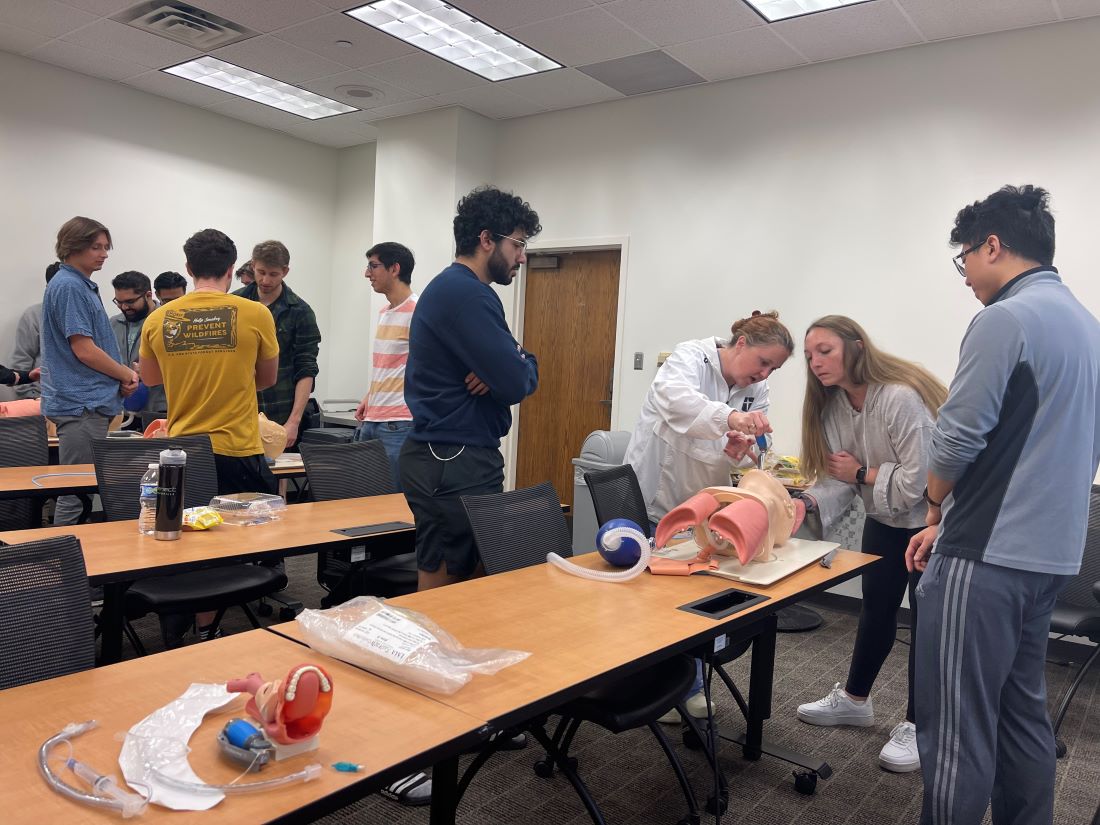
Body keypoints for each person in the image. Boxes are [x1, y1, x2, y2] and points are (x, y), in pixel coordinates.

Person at [906, 185, 1100, 823]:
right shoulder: (1085, 325)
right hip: (1050, 557)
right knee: (1022, 714)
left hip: (986, 559)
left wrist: (935, 507)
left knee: (958, 726)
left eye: (964, 258)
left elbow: (958, 436)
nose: (964, 275)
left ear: (993, 246)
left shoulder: (1005, 319)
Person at [623, 310, 793, 722]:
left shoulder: (758, 387)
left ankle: (688, 684)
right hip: (656, 495)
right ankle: (648, 685)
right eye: (763, 362)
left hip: (703, 502)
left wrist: (741, 446)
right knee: (650, 599)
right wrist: (731, 419)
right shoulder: (690, 358)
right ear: (740, 344)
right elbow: (677, 402)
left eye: (774, 368)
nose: (765, 373)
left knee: (694, 598)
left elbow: (749, 443)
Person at [794, 315, 947, 773]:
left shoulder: (898, 397)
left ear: (856, 347)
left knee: (926, 623)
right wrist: (803, 504)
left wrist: (865, 473)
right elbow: (839, 479)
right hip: (884, 518)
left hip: (933, 520)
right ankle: (856, 700)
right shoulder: (834, 407)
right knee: (876, 609)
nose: (816, 362)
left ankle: (922, 727)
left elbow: (921, 483)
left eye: (825, 350)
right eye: (809, 356)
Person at [401, 186, 541, 592]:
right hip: (452, 456)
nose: (522, 256)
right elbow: (516, 380)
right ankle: (428, 654)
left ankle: (440, 650)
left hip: (450, 454)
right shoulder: (466, 293)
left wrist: (513, 360)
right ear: (485, 239)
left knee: (458, 566)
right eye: (518, 244)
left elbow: (511, 368)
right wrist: (518, 362)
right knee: (449, 574)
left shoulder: (460, 290)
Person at [140, 229, 279, 497]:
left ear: (189, 268)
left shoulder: (158, 319)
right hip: (238, 449)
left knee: (188, 530)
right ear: (231, 269)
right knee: (251, 533)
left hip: (182, 450)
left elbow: (150, 378)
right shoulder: (257, 313)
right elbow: (267, 379)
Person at [41, 217, 138, 525]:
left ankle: (76, 564)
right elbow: (83, 350)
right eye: (96, 246)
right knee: (76, 493)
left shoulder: (77, 284)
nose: (104, 253)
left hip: (88, 403)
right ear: (73, 246)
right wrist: (124, 374)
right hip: (81, 406)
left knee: (83, 490)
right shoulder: (70, 286)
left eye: (106, 247)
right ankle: (64, 566)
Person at [235, 240, 321, 447]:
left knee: (276, 473)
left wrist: (294, 422)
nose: (265, 280)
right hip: (237, 408)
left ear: (285, 271)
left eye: (273, 274)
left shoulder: (300, 311)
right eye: (260, 272)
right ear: (253, 265)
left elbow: (306, 368)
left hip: (280, 408)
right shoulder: (234, 304)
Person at [352, 241, 417, 490]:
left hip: (398, 423)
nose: (367, 273)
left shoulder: (418, 310)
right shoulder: (385, 312)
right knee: (365, 498)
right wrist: (371, 396)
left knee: (392, 504)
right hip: (372, 419)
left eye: (373, 266)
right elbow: (390, 363)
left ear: (395, 268)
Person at [110, 270, 166, 416]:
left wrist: (152, 369)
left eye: (130, 302)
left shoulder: (168, 321)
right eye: (119, 302)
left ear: (148, 295)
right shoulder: (113, 323)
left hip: (159, 409)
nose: (124, 308)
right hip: (121, 411)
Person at [9, 262, 60, 399]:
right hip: (41, 398)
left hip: (80, 400)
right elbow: (21, 360)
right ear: (48, 288)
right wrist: (30, 397)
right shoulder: (34, 315)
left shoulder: (84, 314)